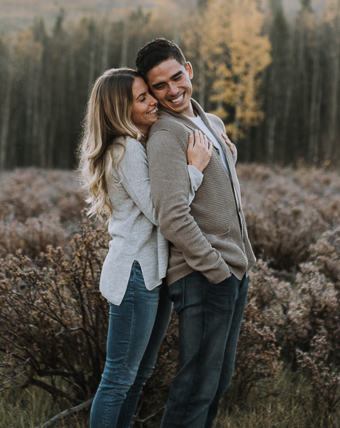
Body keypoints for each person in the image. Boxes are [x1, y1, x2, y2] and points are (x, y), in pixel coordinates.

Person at [79, 67, 214, 428]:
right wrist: (195, 169)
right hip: (135, 275)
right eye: (142, 98)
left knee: (137, 377)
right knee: (119, 379)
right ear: (121, 111)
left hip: (150, 274)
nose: (153, 100)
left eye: (148, 94)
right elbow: (161, 213)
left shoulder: (136, 145)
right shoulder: (126, 151)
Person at [135, 38, 256, 428]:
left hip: (234, 271)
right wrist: (215, 269)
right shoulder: (166, 135)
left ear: (189, 70)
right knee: (194, 390)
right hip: (203, 276)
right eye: (159, 86)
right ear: (150, 91)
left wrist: (227, 157)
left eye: (176, 77)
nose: (172, 91)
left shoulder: (212, 123)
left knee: (216, 382)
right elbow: (172, 216)